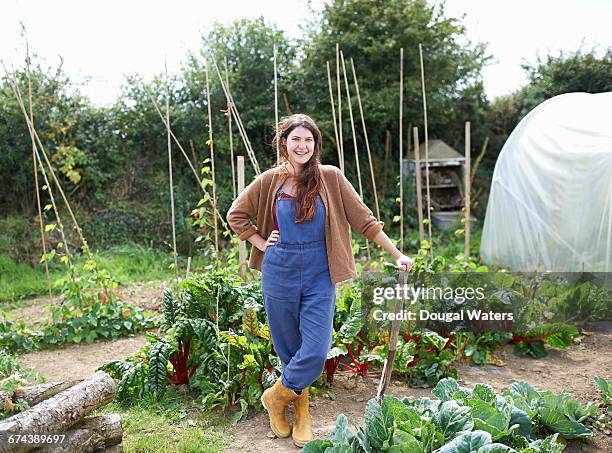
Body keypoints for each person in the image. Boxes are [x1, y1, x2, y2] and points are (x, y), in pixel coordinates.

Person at [226, 114, 413, 447]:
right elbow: (236, 214)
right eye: (296, 139)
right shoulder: (270, 180)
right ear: (283, 143)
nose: (302, 146)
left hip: (319, 273)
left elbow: (364, 220)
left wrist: (396, 253)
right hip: (279, 271)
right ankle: (302, 415)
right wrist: (259, 243)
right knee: (289, 351)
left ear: (316, 145)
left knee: (315, 350)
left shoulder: (330, 177)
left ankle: (275, 397)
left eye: (309, 140)